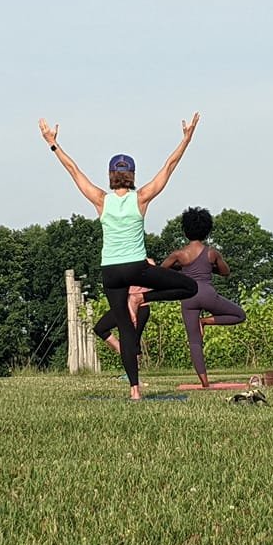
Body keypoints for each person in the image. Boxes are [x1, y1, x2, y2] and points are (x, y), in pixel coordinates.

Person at [40, 113, 200, 400]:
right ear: (132, 176)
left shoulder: (101, 200)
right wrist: (186, 139)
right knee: (190, 287)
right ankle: (143, 298)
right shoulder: (141, 199)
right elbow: (169, 167)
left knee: (125, 329)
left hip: (111, 272)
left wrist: (53, 144)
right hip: (137, 269)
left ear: (111, 176)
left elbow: (73, 171)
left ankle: (134, 391)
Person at [159, 206, 248, 387]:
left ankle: (204, 382)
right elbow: (225, 272)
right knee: (240, 315)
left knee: (194, 341)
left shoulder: (179, 254)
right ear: (207, 231)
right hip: (207, 293)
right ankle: (206, 321)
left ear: (185, 231)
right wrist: (211, 266)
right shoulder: (211, 253)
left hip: (188, 296)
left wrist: (180, 269)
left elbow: (160, 272)